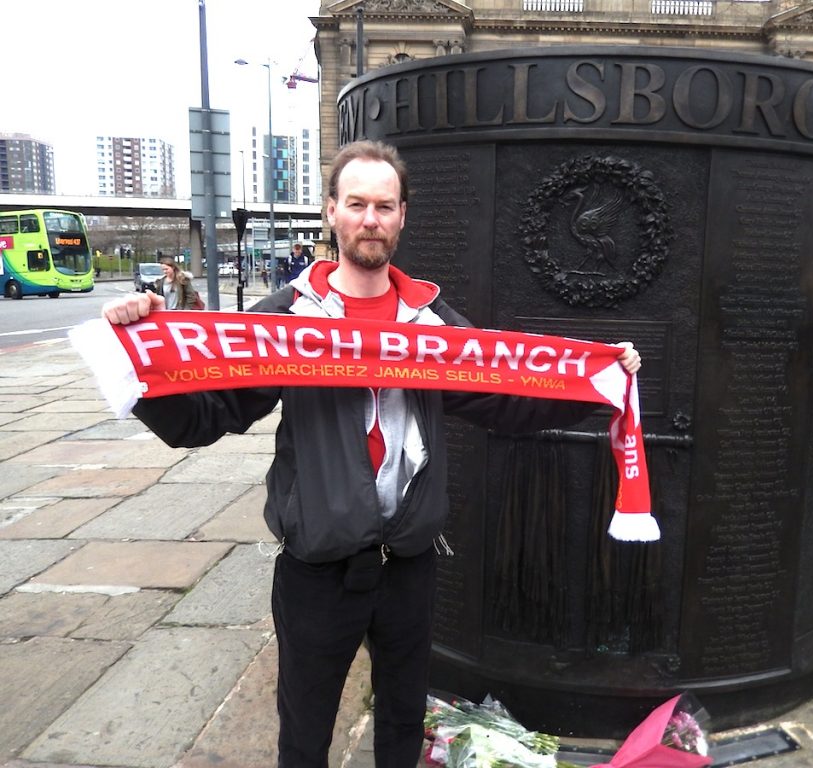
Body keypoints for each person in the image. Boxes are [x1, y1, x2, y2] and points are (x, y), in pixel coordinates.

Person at [100, 140, 640, 768]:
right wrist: (135, 363)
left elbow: (504, 398)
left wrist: (596, 385)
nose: (370, 219)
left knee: (404, 721)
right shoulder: (289, 316)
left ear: (402, 216)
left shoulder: (430, 319)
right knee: (305, 731)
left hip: (409, 565)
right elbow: (207, 416)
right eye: (356, 203)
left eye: (384, 205)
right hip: (317, 569)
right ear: (331, 210)